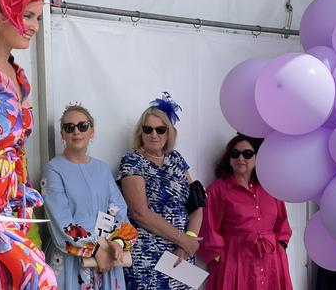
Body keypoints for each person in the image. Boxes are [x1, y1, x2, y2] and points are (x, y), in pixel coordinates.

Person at [41, 104, 137, 289]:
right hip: (72, 259)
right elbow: (61, 221)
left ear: (91, 131)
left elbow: (120, 210)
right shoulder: (53, 169)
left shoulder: (102, 168)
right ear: (62, 134)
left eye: (82, 126)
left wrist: (117, 243)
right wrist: (95, 250)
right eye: (69, 127)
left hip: (108, 254)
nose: (76, 131)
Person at [117, 93, 203, 290]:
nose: (154, 135)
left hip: (181, 254)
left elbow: (196, 203)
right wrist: (184, 240)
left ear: (169, 132)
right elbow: (140, 213)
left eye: (160, 129)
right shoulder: (132, 162)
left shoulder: (176, 159)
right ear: (141, 132)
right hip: (148, 256)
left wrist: (187, 241)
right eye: (148, 129)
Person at [198, 134, 292, 290]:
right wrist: (217, 256)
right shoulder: (218, 190)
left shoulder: (269, 186)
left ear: (257, 158)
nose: (240, 158)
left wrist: (281, 243)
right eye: (235, 154)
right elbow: (208, 226)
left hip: (271, 259)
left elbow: (282, 219)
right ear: (229, 158)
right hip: (234, 259)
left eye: (247, 154)